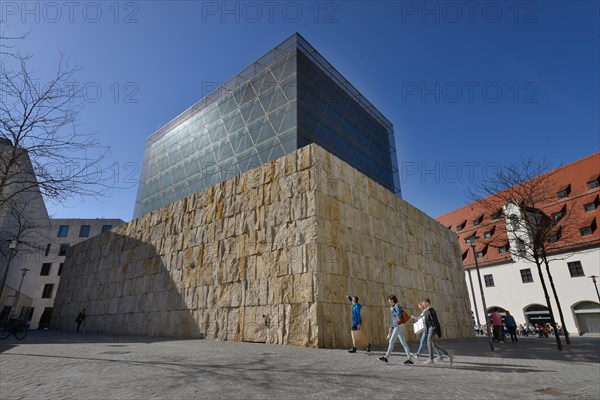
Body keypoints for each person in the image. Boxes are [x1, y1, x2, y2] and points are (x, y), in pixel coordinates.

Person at [377, 295, 414, 365]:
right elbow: (394, 319)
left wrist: (393, 310)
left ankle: (386, 357)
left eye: (389, 300)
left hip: (399, 326)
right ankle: (410, 359)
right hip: (398, 326)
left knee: (391, 341)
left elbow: (399, 315)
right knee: (403, 343)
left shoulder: (396, 306)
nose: (388, 301)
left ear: (392, 300)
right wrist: (391, 327)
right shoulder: (394, 306)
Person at [421, 298, 454, 366]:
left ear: (427, 303)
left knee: (429, 342)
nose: (423, 304)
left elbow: (434, 320)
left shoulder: (430, 310)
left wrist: (434, 328)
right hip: (430, 328)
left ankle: (431, 359)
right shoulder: (426, 310)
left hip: (432, 328)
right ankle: (448, 354)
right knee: (432, 343)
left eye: (423, 303)